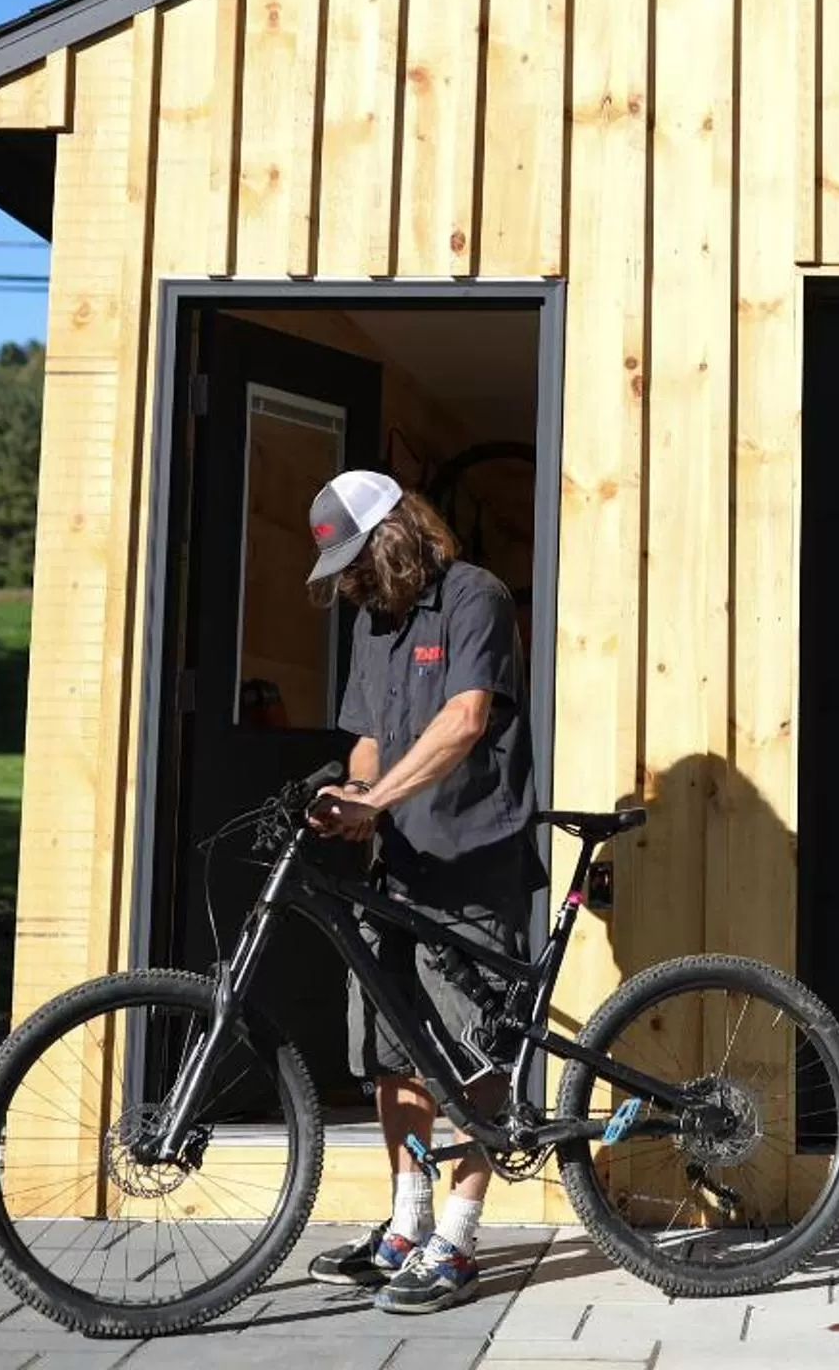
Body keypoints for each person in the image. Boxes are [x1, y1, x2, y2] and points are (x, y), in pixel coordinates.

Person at [295, 468, 538, 1316]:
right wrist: (354, 797)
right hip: (395, 867)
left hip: (472, 862)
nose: (352, 582)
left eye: (359, 562)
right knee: (393, 1050)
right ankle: (407, 1224)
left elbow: (465, 719)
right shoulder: (376, 620)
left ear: (394, 535)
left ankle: (459, 1238)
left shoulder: (476, 597)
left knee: (472, 1049)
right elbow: (368, 737)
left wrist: (378, 800)